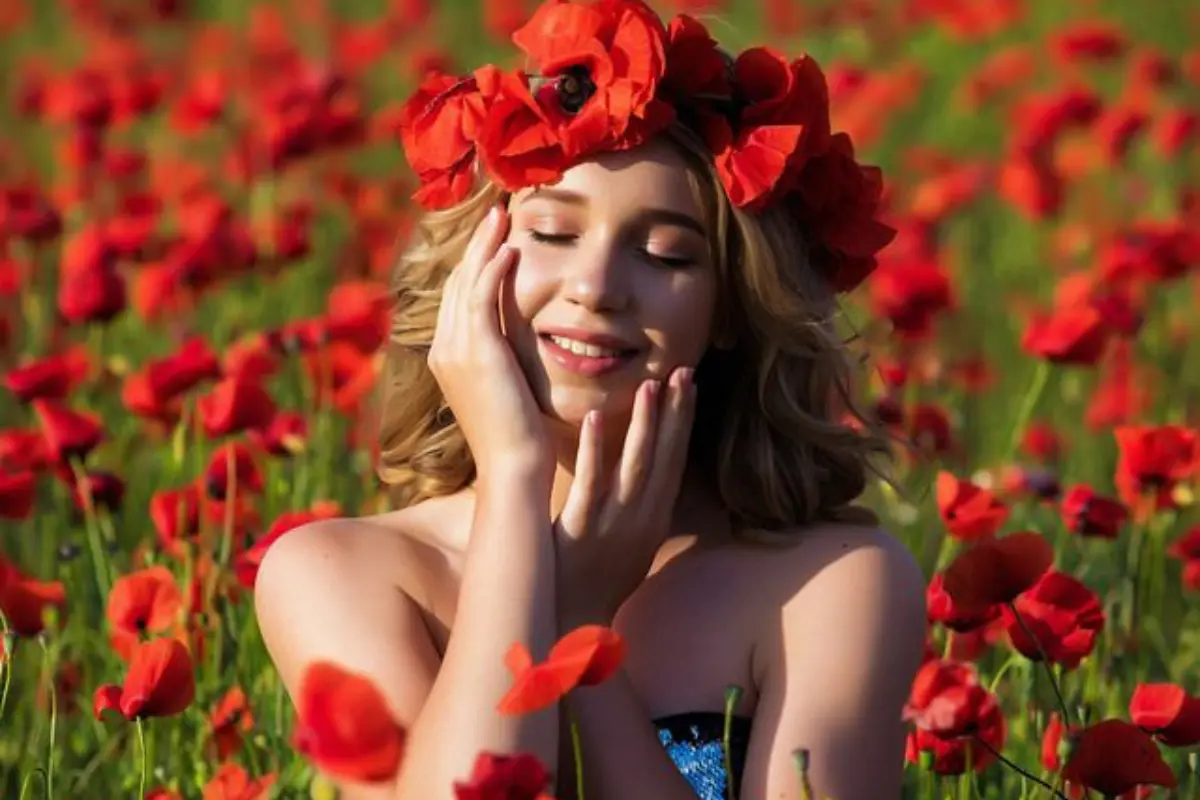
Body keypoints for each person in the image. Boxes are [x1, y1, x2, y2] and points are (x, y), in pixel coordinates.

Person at [254, 2, 927, 798]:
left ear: (730, 312)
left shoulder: (830, 583)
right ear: (474, 267)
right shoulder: (345, 572)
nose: (597, 289)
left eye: (664, 253)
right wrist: (513, 479)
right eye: (551, 234)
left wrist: (578, 633)